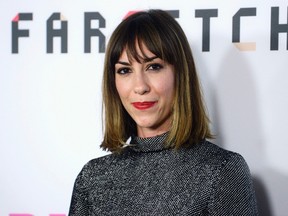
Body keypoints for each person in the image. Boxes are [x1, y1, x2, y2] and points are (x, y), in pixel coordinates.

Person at [69, 9, 258, 215]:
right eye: (125, 70)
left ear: (180, 74)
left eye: (154, 67)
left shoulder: (222, 171)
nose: (140, 86)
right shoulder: (92, 178)